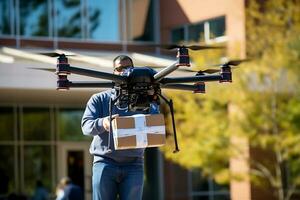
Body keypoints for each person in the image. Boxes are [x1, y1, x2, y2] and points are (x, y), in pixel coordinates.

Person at [81, 55, 159, 200]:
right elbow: (86, 126)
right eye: (119, 68)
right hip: (105, 161)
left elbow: (155, 123)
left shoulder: (143, 100)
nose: (124, 71)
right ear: (113, 73)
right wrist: (103, 123)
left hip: (134, 163)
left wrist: (152, 98)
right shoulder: (99, 99)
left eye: (128, 68)